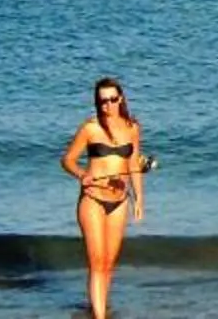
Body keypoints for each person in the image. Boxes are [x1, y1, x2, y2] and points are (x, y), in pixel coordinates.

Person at [60, 77, 146, 319]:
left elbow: (133, 164)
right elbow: (67, 160)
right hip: (93, 200)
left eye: (112, 99)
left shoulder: (132, 127)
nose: (108, 105)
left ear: (121, 99)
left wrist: (139, 198)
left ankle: (98, 308)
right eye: (102, 101)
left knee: (109, 263)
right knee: (97, 262)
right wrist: (81, 175)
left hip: (120, 201)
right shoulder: (91, 128)